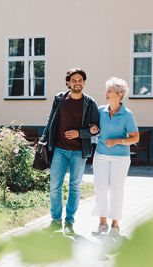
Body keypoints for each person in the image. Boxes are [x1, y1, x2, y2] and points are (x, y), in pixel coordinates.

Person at [42, 67, 99, 234]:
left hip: (79, 151)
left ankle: (69, 222)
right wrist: (44, 139)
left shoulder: (90, 103)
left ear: (84, 82)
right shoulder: (59, 99)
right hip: (59, 149)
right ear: (68, 83)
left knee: (74, 186)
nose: (77, 83)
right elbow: (50, 120)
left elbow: (96, 128)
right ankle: (55, 220)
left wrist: (79, 133)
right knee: (54, 186)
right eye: (74, 80)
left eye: (80, 80)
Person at [91, 77, 139, 235]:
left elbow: (135, 137)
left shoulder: (127, 115)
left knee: (117, 190)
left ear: (119, 95)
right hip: (100, 156)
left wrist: (118, 140)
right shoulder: (100, 111)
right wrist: (92, 128)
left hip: (120, 158)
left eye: (109, 91)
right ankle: (102, 222)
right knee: (100, 188)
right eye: (106, 90)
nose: (106, 93)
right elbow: (93, 126)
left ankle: (115, 223)